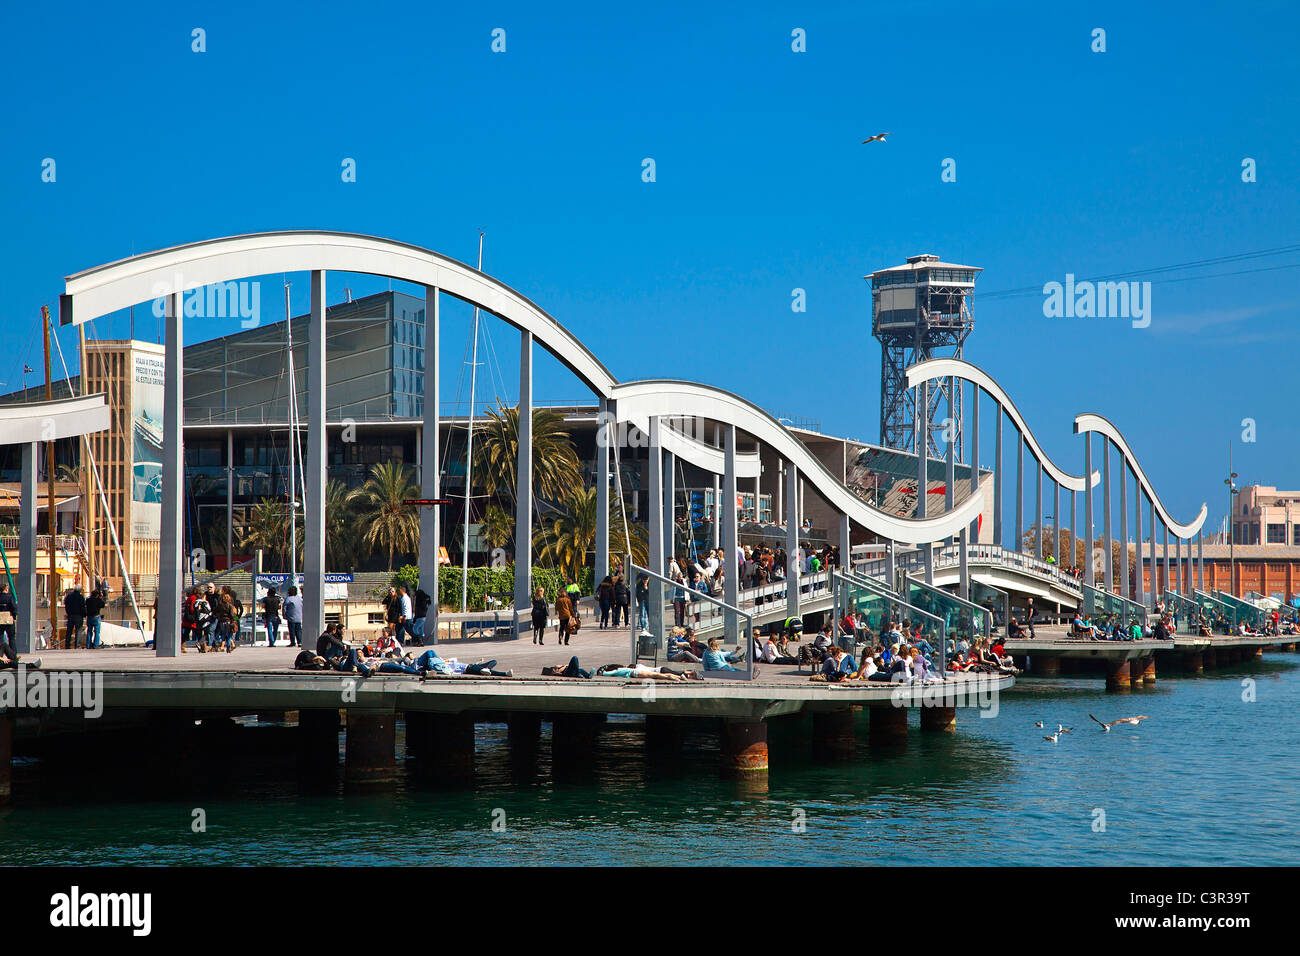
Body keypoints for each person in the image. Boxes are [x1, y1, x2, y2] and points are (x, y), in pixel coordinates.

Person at [0, 582, 39, 670]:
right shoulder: (10, 597)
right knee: (12, 638)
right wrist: (14, 616)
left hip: (0, 621)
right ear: (6, 589)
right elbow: (14, 608)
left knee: (1, 640)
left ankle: (6, 657)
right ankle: (14, 657)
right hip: (8, 620)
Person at [63, 584, 86, 649]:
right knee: (78, 630)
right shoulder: (80, 597)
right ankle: (77, 645)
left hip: (70, 615)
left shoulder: (69, 596)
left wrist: (68, 613)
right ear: (80, 590)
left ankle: (67, 644)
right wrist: (84, 614)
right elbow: (82, 607)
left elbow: (66, 604)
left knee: (69, 630)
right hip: (78, 615)